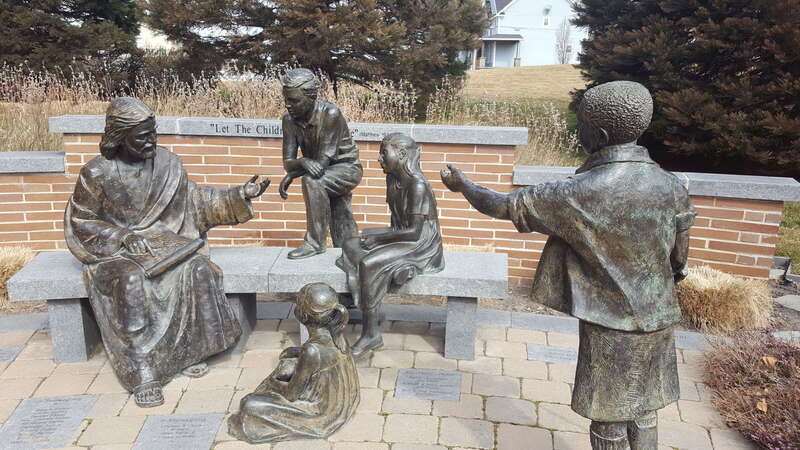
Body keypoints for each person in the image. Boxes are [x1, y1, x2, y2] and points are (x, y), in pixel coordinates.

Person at [440, 81, 695, 450]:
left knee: (608, 415)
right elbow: (679, 257)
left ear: (601, 134)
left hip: (610, 324)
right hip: (659, 315)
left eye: (581, 126)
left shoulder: (576, 193)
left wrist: (463, 185)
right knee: (645, 407)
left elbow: (500, 205)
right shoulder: (671, 184)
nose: (577, 133)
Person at [64, 97, 269, 407]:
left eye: (154, 132)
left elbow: (195, 201)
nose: (152, 141)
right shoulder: (96, 173)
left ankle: (188, 351)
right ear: (119, 137)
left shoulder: (169, 164)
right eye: (142, 136)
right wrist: (122, 235)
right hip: (116, 253)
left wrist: (239, 195)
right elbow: (83, 220)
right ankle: (142, 369)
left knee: (198, 270)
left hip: (165, 246)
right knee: (132, 282)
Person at [337, 133, 444, 357]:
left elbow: (414, 232)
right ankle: (360, 292)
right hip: (402, 234)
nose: (379, 158)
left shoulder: (418, 185)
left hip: (421, 244)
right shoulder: (393, 179)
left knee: (368, 263)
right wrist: (377, 237)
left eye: (384, 153)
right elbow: (397, 225)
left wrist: (379, 241)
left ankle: (370, 334)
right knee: (350, 243)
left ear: (402, 155)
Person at [228, 282, 359, 443]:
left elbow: (291, 394)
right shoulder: (336, 333)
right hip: (338, 405)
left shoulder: (312, 351)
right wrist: (296, 352)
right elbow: (325, 358)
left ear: (301, 315)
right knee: (289, 359)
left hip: (320, 414)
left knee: (249, 404)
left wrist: (273, 382)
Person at [279, 68, 362, 259]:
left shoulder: (330, 114)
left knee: (313, 182)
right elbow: (288, 162)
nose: (288, 105)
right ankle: (349, 246)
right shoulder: (288, 121)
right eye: (286, 99)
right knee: (338, 206)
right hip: (321, 169)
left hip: (347, 168)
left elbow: (322, 164)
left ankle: (315, 243)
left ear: (312, 97)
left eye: (294, 100)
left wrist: (297, 169)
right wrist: (300, 163)